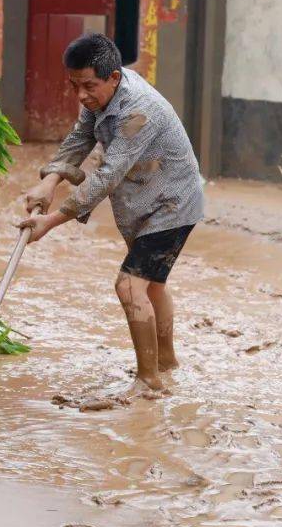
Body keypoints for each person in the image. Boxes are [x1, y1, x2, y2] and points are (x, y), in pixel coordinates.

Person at [17, 33, 204, 401]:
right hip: (142, 201)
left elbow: (105, 176)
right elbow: (79, 139)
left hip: (171, 205)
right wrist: (49, 182)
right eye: (74, 86)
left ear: (114, 77)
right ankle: (166, 362)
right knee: (153, 286)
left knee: (129, 285)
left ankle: (148, 381)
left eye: (88, 86)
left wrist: (51, 221)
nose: (80, 96)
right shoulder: (98, 97)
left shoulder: (138, 110)